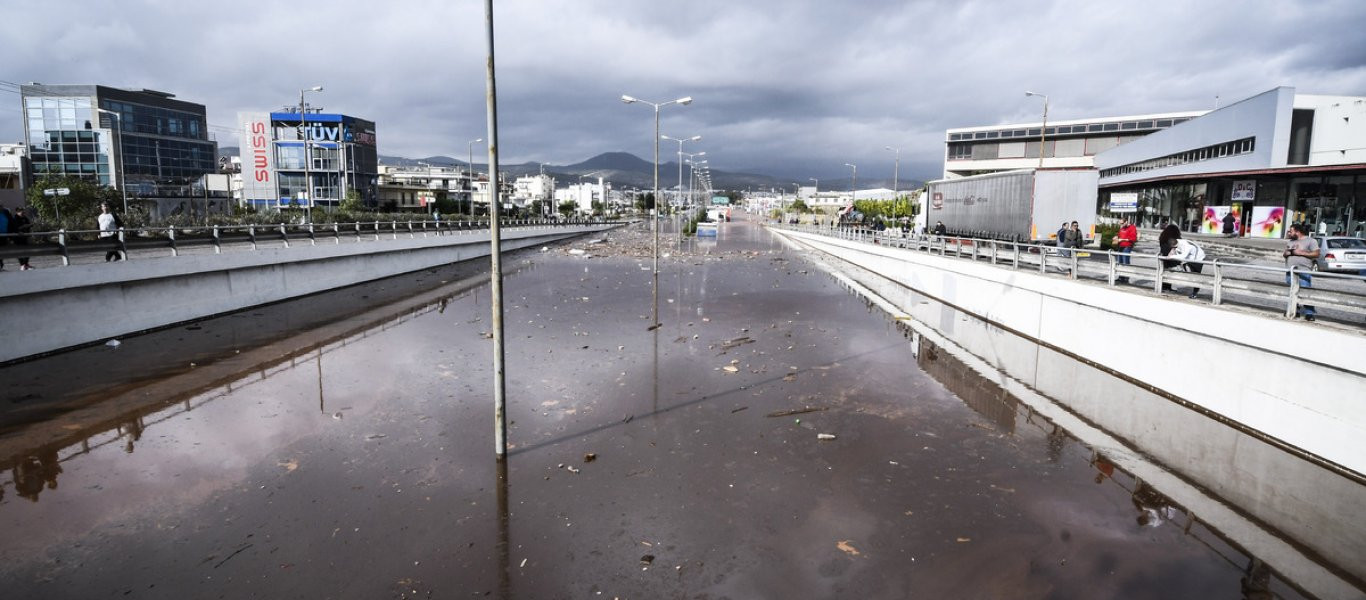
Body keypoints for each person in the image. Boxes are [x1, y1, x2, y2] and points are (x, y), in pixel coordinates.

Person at [1284, 223, 1319, 321]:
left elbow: (1316, 253)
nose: (1289, 233)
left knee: (1306, 292)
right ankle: (1295, 310)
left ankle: (1309, 313)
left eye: (1291, 231)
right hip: (1290, 271)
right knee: (1292, 292)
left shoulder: (1311, 241)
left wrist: (1301, 253)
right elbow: (1285, 253)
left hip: (1303, 271)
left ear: (1297, 231)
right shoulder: (1291, 242)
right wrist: (1287, 253)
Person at [1158, 224, 1182, 292]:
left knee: (1164, 271)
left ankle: (1164, 287)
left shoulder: (1163, 237)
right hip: (1171, 257)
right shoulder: (1175, 239)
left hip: (1163, 256)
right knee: (1169, 272)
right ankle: (1167, 287)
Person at [1115, 218, 1138, 283]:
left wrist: (1122, 240)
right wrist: (1116, 237)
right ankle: (1121, 277)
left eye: (1122, 223)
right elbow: (1119, 235)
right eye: (1120, 223)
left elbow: (1133, 238)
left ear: (1126, 222)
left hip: (1127, 246)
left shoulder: (1132, 228)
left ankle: (1126, 278)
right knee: (1120, 262)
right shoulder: (1122, 228)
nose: (1121, 225)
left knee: (1125, 262)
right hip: (1120, 246)